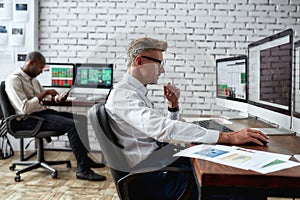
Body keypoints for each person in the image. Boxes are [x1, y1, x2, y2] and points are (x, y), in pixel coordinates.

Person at [105, 37, 269, 199]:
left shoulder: (133, 93)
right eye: (159, 63)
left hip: (158, 167)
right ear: (139, 61)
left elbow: (163, 129)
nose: (162, 70)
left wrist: (173, 106)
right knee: (244, 188)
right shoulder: (123, 96)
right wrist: (228, 137)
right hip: (156, 180)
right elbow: (164, 131)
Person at [5, 51, 106, 181]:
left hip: (41, 114)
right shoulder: (14, 80)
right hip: (27, 120)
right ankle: (83, 170)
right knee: (73, 125)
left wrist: (58, 98)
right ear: (31, 63)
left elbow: (44, 97)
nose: (42, 71)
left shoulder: (33, 80)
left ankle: (85, 159)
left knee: (81, 118)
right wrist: (45, 92)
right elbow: (25, 108)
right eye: (41, 67)